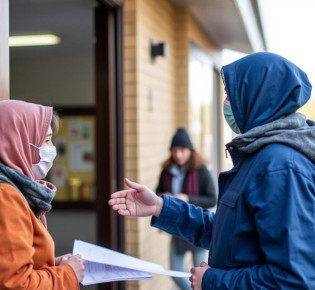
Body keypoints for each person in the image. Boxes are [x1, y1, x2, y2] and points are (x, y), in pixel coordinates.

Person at [108, 52, 315, 289]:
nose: (226, 103)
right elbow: (230, 234)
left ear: (256, 97)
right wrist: (160, 207)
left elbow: (293, 280)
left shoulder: (279, 166)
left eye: (229, 95)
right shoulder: (260, 157)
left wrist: (213, 281)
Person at [0, 100, 85, 289]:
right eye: (46, 140)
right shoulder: (6, 196)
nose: (51, 148)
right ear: (17, 142)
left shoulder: (13, 190)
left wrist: (52, 265)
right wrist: (68, 274)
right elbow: (15, 284)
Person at [156, 127, 217, 289]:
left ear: (190, 150)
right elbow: (157, 194)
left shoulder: (201, 171)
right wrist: (164, 197)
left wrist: (187, 198)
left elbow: (212, 199)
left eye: (182, 150)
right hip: (177, 228)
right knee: (174, 270)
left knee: (200, 272)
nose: (178, 155)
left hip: (198, 227)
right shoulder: (166, 171)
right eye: (175, 150)